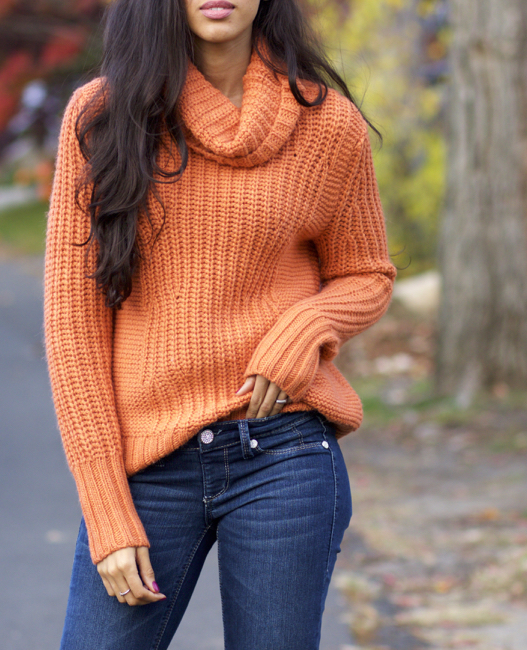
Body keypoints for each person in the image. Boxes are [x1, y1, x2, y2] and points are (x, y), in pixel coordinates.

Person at [43, 0, 397, 647]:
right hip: (148, 466)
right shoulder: (101, 118)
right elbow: (75, 332)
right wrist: (105, 510)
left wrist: (305, 327)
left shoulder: (327, 125)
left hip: (282, 454)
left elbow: (367, 273)